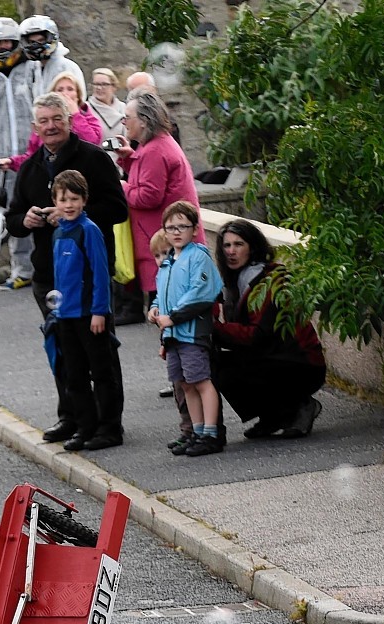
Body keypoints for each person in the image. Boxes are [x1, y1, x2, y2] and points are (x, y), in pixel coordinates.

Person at [6, 91, 128, 445]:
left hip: (90, 276)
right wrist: (26, 219)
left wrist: (74, 215)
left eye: (56, 119)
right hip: (48, 276)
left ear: (69, 120)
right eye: (43, 121)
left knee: (101, 353)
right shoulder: (29, 168)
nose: (50, 127)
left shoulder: (93, 158)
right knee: (63, 354)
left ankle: (109, 423)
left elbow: (118, 209)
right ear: (35, 127)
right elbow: (12, 218)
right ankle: (73, 418)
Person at [212, 218, 326, 442]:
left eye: (239, 244)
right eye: (227, 245)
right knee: (215, 363)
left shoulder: (271, 279)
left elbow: (257, 335)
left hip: (301, 363)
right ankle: (274, 416)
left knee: (227, 366)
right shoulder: (233, 282)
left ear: (253, 248)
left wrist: (216, 329)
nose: (231, 252)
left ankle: (301, 405)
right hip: (271, 357)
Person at [48, 170, 123, 450]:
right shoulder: (58, 232)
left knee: (102, 373)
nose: (69, 205)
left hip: (89, 315)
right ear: (55, 201)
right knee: (75, 375)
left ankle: (109, 428)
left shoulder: (88, 230)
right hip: (65, 316)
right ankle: (85, 427)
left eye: (74, 199)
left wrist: (99, 311)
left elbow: (101, 273)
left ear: (84, 200)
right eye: (63, 199)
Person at [115, 90, 203, 304]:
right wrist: (129, 160)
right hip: (168, 240)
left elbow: (148, 196)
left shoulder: (155, 150)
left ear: (144, 121)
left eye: (127, 117)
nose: (124, 122)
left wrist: (122, 187)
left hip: (167, 245)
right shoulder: (154, 145)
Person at [150, 202, 221, 456]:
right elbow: (163, 295)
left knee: (201, 381)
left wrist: (174, 317)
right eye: (171, 227)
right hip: (173, 336)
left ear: (194, 229)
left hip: (191, 332)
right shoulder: (168, 263)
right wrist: (156, 309)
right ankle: (197, 430)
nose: (177, 231)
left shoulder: (197, 256)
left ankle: (211, 433)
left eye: (183, 226)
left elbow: (200, 294)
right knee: (185, 384)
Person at [0, 17, 36, 290]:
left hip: (32, 155)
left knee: (42, 208)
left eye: (7, 42)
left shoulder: (33, 70)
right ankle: (22, 269)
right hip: (4, 162)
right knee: (13, 215)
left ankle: (47, 265)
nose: (2, 47)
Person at [0, 71, 102, 173]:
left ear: (78, 95)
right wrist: (12, 162)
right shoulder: (44, 124)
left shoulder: (89, 118)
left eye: (70, 89)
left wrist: (75, 114)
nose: (65, 93)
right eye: (60, 89)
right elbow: (33, 156)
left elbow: (91, 143)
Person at [19, 15, 84, 95]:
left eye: (40, 40)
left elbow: (79, 97)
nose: (36, 45)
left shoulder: (67, 67)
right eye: (32, 42)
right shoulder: (33, 68)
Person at [88, 68, 125, 151]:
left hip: (121, 159)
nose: (99, 88)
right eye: (96, 84)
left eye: (104, 84)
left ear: (114, 87)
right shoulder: (85, 109)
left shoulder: (124, 108)